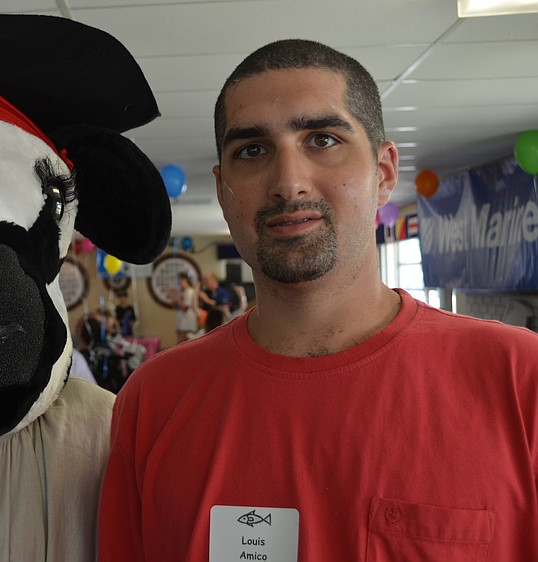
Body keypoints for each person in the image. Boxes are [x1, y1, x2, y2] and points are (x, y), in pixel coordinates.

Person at [98, 39, 538, 561]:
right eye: (252, 150)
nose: (289, 183)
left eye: (323, 140)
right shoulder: (154, 401)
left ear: (385, 172)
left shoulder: (518, 379)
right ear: (222, 190)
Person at [168, 272, 198, 344]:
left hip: (187, 321)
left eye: (180, 280)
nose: (179, 283)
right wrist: (172, 297)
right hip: (180, 320)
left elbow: (185, 308)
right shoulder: (181, 291)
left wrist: (178, 299)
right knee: (179, 341)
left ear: (185, 280)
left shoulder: (190, 291)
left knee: (185, 343)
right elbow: (174, 306)